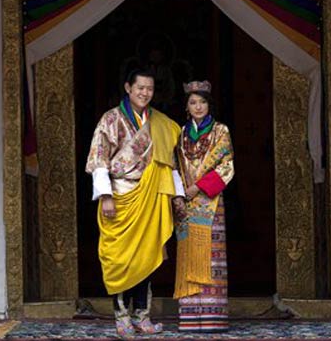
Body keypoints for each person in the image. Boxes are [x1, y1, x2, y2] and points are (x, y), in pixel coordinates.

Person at [85, 69, 184, 338]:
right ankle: (121, 316)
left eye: (149, 88)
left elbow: (169, 164)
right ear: (128, 87)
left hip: (151, 198)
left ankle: (142, 315)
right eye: (140, 87)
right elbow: (99, 160)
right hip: (120, 196)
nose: (145, 93)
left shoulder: (160, 123)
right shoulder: (111, 119)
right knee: (120, 259)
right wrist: (106, 196)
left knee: (146, 257)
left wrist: (177, 195)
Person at [172, 80, 235, 333]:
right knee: (188, 256)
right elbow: (173, 166)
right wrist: (178, 195)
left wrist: (198, 187)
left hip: (211, 201)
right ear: (187, 107)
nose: (198, 107)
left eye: (202, 102)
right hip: (186, 204)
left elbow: (226, 165)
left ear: (210, 104)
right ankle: (189, 317)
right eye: (193, 102)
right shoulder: (180, 134)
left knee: (211, 257)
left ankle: (213, 317)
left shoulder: (221, 131)